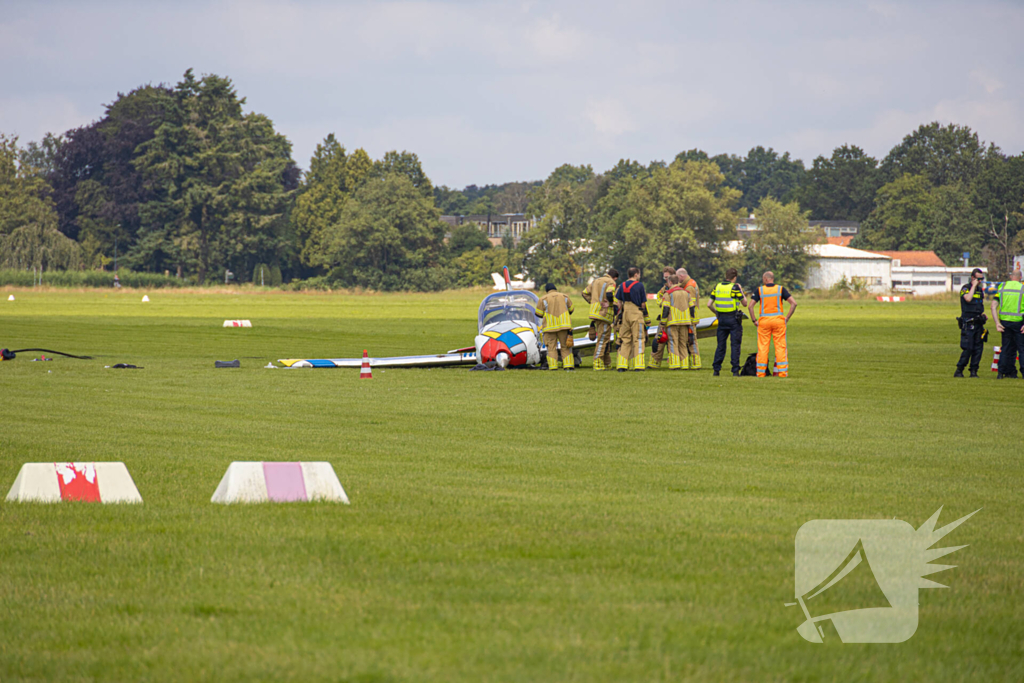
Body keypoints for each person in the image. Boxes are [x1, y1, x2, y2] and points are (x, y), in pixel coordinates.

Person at [748, 271, 797, 377]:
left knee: (763, 347)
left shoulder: (760, 290)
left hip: (764, 322)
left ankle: (760, 372)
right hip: (778, 321)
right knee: (780, 347)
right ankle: (783, 372)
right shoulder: (780, 289)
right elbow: (794, 303)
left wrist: (754, 320)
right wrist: (787, 317)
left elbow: (750, 306)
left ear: (765, 279)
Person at [708, 267, 747, 376]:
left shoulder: (717, 287)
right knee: (735, 345)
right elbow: (744, 303)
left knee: (720, 345)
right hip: (733, 319)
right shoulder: (735, 287)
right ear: (735, 277)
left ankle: (716, 369)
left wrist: (717, 313)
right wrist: (740, 290)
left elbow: (708, 304)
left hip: (721, 319)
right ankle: (735, 370)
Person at [581, 268, 618, 371]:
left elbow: (584, 293)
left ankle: (606, 363)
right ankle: (597, 362)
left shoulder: (596, 281)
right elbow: (610, 294)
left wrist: (593, 302)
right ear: (615, 277)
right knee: (602, 339)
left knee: (604, 339)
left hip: (595, 312)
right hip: (604, 314)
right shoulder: (611, 282)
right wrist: (610, 304)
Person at [615, 267, 650, 372]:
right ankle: (638, 365)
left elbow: (619, 302)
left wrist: (621, 313)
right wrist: (643, 314)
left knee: (625, 339)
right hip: (636, 313)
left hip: (625, 313)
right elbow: (643, 303)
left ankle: (622, 365)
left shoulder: (622, 285)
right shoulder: (639, 285)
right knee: (638, 339)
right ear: (636, 274)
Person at [991, 269, 1023, 379]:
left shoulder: (1002, 288)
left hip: (1004, 322)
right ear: (1021, 277)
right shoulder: (1022, 288)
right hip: (1019, 322)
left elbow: (993, 306)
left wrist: (997, 323)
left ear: (1010, 276)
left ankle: (1002, 372)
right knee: (1021, 349)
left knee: (1006, 348)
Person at [955, 268, 987, 378]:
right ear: (972, 278)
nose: (980, 281)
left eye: (981, 279)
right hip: (968, 324)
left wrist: (983, 315)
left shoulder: (980, 290)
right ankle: (959, 370)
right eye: (978, 279)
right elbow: (968, 299)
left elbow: (979, 306)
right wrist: (973, 286)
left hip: (978, 323)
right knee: (968, 348)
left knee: (978, 349)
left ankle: (974, 371)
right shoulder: (966, 288)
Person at [535, 283, 575, 371]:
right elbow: (571, 310)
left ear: (547, 290)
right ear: (555, 289)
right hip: (564, 326)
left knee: (551, 347)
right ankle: (568, 366)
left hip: (549, 328)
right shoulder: (565, 296)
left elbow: (538, 314)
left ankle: (553, 367)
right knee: (565, 346)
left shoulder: (543, 299)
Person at [648, 267, 678, 368]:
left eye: (667, 277)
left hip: (674, 319)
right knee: (658, 340)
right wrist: (661, 302)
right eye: (664, 277)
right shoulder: (664, 288)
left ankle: (674, 363)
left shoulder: (678, 288)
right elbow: (658, 297)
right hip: (664, 317)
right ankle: (654, 364)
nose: (665, 279)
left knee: (673, 343)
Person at [660, 274, 692, 369]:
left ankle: (675, 364)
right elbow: (692, 308)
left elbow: (665, 310)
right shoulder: (687, 293)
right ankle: (685, 365)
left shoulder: (668, 294)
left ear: (670, 282)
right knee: (683, 343)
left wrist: (662, 323)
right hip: (685, 322)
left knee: (673, 343)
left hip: (673, 322)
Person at [676, 268, 701, 369]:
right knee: (688, 340)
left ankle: (696, 363)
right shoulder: (689, 283)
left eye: (677, 277)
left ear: (681, 276)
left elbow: (691, 305)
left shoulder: (690, 286)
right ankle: (693, 363)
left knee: (692, 341)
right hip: (689, 318)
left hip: (691, 318)